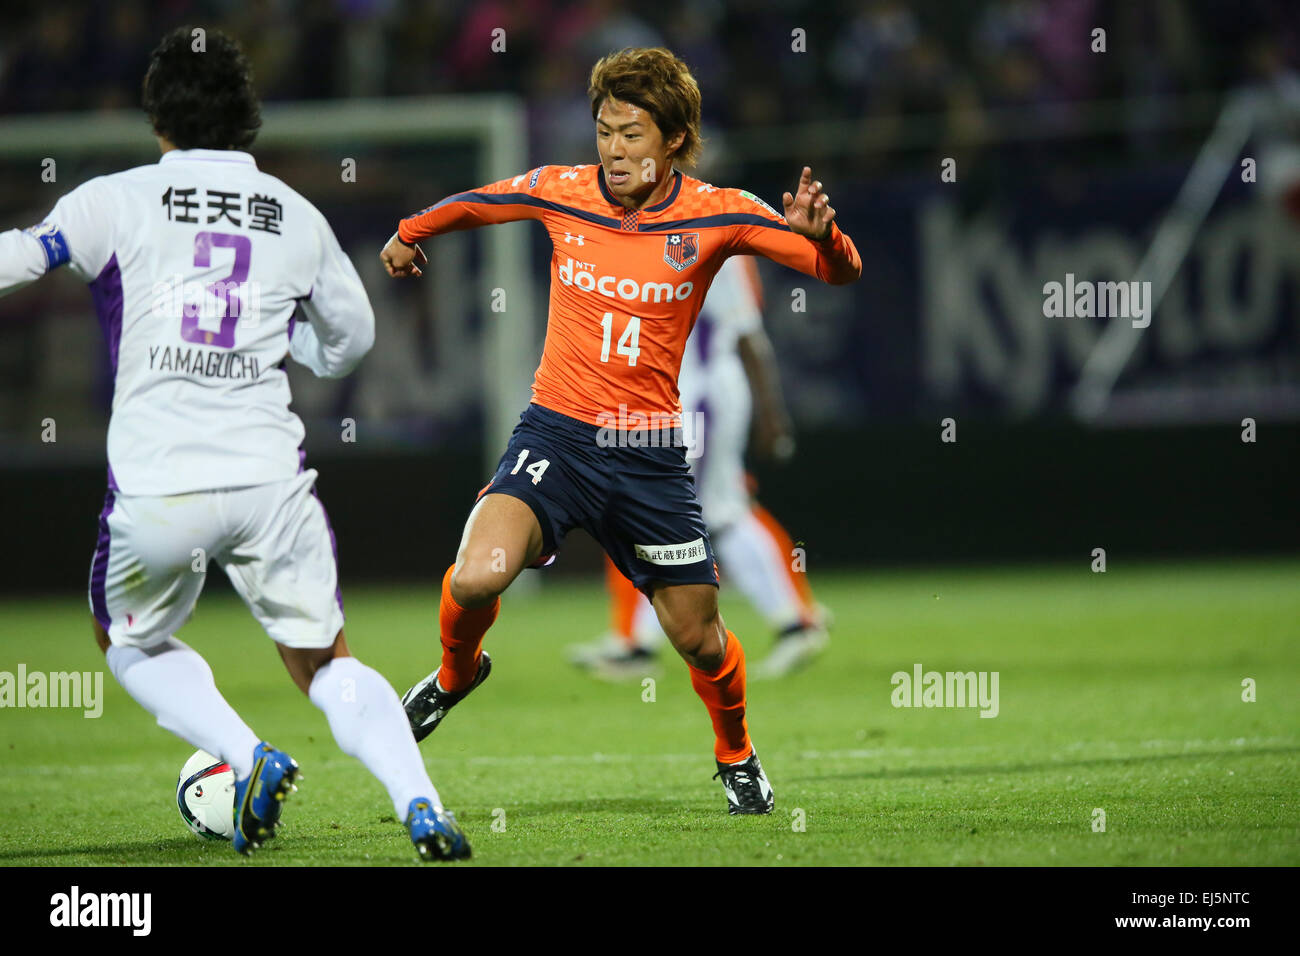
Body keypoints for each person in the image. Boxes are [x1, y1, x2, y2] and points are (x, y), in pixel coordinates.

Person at [0, 27, 468, 861]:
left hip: (159, 485)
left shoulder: (116, 198)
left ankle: (249, 756)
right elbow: (352, 337)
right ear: (249, 119)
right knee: (327, 662)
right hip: (268, 481)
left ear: (156, 118)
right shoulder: (297, 214)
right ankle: (422, 804)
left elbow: (26, 258)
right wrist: (304, 350)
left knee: (130, 640)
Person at [381, 46, 860, 815]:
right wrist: (412, 230)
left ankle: (735, 752)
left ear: (673, 139)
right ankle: (453, 675)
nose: (614, 149)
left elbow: (840, 271)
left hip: (647, 454)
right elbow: (478, 202)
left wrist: (824, 237)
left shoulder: (719, 212)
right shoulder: (564, 192)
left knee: (699, 640)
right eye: (605, 130)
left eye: (632, 134)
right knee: (476, 575)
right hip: (556, 437)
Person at [570, 255, 831, 680]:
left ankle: (794, 622)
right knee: (698, 513)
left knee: (706, 515)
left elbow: (747, 334)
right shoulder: (654, 235)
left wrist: (773, 414)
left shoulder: (708, 240)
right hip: (675, 400)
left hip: (699, 399)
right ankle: (639, 641)